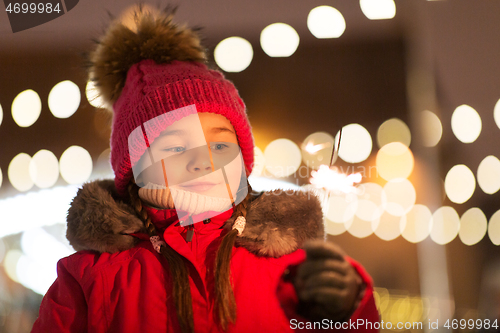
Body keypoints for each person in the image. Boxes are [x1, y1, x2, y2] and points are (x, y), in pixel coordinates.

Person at [31, 5, 379, 333]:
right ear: (135, 168)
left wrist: (349, 307)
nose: (203, 160)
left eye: (220, 145)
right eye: (176, 147)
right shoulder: (90, 281)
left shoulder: (292, 268)